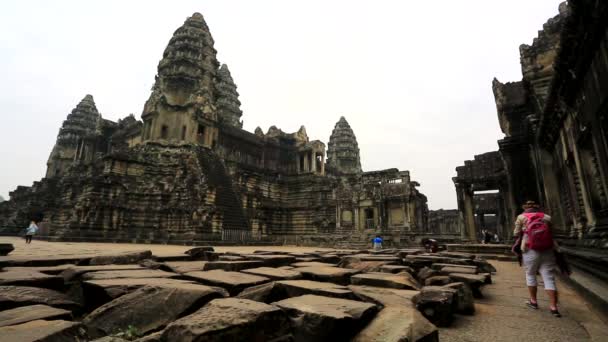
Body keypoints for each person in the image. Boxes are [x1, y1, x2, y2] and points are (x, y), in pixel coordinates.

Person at [514, 200, 561, 317]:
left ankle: (533, 301)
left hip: (530, 249)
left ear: (525, 207)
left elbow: (516, 233)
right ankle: (554, 307)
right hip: (547, 249)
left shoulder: (521, 217)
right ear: (537, 207)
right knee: (549, 277)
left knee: (530, 274)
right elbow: (552, 232)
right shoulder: (546, 217)